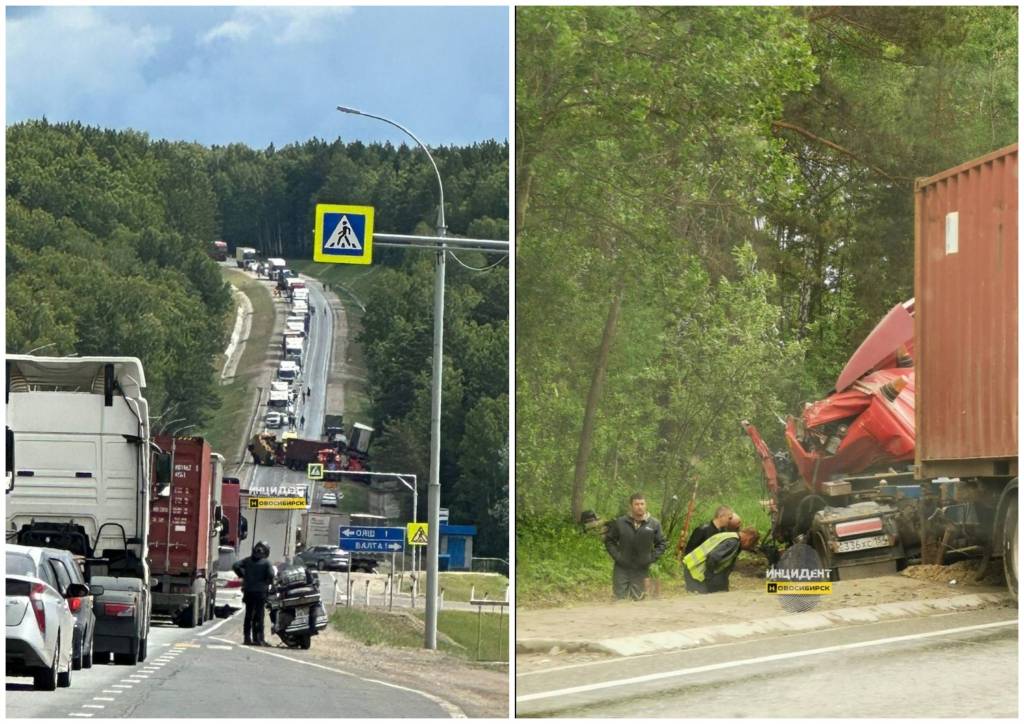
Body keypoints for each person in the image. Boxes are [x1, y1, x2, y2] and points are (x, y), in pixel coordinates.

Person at [604, 493, 667, 600]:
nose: (640, 507)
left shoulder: (654, 524)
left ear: (646, 505)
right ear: (631, 506)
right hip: (622, 568)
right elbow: (609, 541)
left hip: (641, 569)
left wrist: (650, 558)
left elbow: (662, 543)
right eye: (636, 504)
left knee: (639, 601)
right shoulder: (620, 522)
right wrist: (618, 557)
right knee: (619, 599)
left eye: (642, 504)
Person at [682, 527, 760, 594]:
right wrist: (709, 578)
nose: (749, 548)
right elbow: (713, 557)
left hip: (691, 566)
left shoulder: (729, 535)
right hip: (696, 572)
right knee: (701, 600)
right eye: (751, 545)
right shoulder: (733, 542)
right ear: (749, 539)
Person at [233, 540, 276, 645]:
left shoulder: (247, 561)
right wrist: (267, 582)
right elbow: (271, 575)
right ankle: (259, 639)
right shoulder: (266, 563)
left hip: (249, 592)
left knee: (249, 615)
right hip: (261, 593)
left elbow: (236, 565)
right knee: (259, 616)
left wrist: (243, 575)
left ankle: (247, 638)